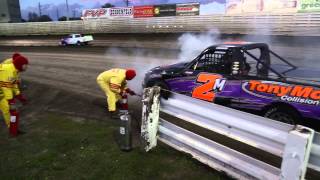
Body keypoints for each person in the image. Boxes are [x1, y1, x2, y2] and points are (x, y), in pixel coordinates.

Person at [0, 55, 28, 129]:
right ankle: (12, 128)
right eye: (25, 65)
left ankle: (12, 128)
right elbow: (7, 88)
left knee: (9, 110)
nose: (27, 67)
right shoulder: (8, 71)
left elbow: (14, 85)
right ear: (20, 64)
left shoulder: (14, 71)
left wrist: (20, 97)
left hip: (2, 90)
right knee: (9, 109)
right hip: (2, 91)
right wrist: (11, 102)